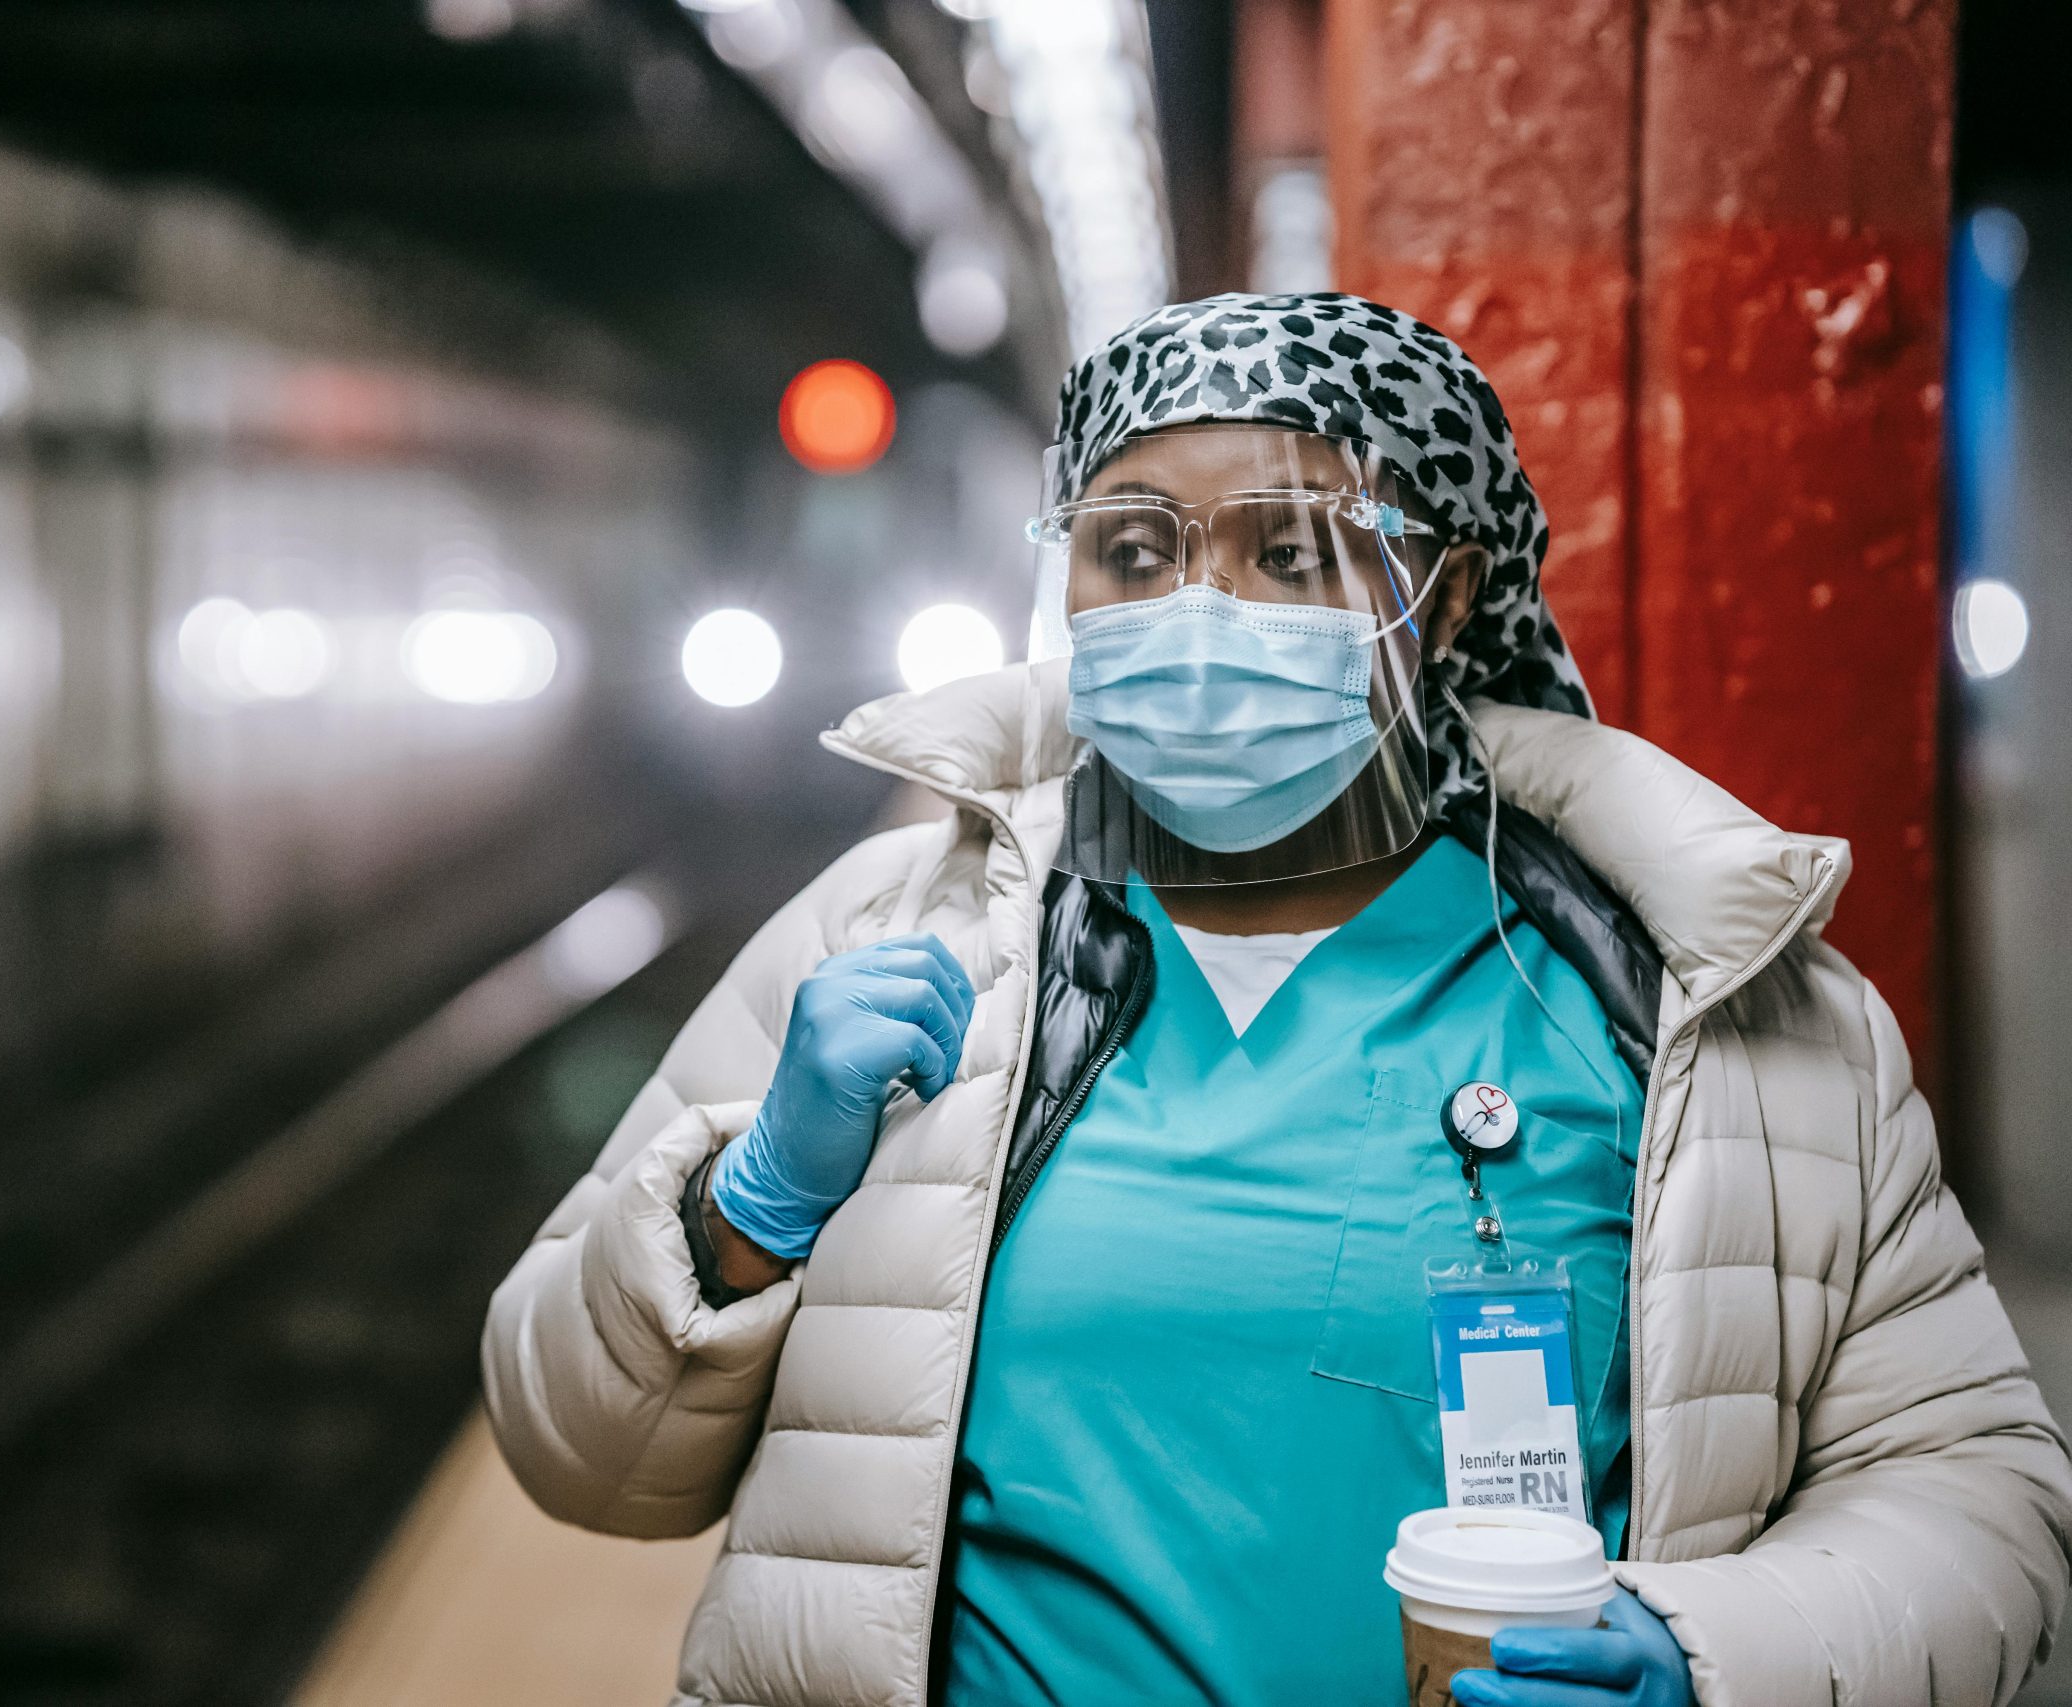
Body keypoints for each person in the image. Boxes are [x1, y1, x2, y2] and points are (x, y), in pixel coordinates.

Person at [481, 293, 2072, 1707]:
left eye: (1292, 549)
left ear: (1443, 599)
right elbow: (578, 1459)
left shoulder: (1705, 1005)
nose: (1201, 610)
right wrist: (746, 1209)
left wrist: (1711, 1655)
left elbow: (1980, 1500)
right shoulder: (897, 937)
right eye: (1136, 549)